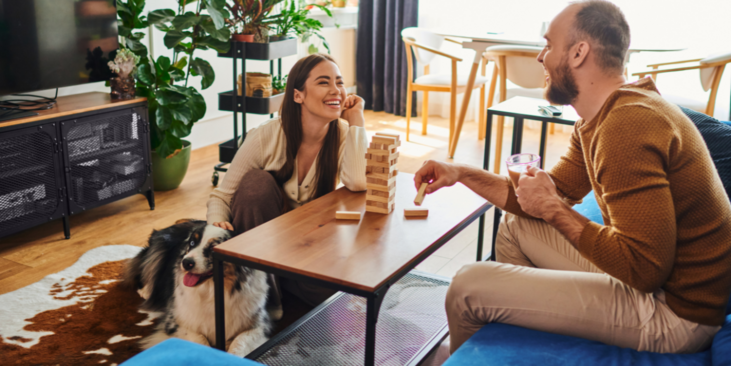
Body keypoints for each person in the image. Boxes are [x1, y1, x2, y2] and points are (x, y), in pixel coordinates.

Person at [415, 0, 731, 355]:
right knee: (516, 228)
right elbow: (536, 199)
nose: (540, 57)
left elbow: (645, 270)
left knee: (466, 286)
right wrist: (459, 172)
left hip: (677, 314)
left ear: (579, 53)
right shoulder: (603, 117)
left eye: (548, 45)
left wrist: (553, 209)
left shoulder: (626, 126)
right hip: (655, 284)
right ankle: (523, 338)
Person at [206, 54, 368, 319]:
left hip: (308, 245)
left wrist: (357, 121)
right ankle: (262, 293)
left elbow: (358, 181)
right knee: (255, 184)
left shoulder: (343, 133)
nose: (336, 90)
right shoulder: (266, 135)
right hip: (262, 243)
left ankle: (281, 285)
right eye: (323, 82)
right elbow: (222, 196)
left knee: (337, 297)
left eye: (339, 82)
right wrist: (215, 225)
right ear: (298, 96)